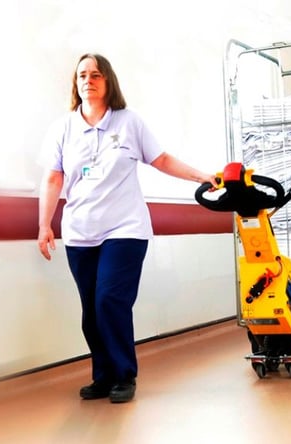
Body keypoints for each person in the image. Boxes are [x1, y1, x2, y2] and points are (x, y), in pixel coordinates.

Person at [36, 53, 215, 404]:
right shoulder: (63, 129)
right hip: (80, 232)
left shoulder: (128, 122)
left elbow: (161, 160)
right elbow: (53, 178)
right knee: (91, 308)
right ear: (76, 84)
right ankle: (102, 376)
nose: (88, 80)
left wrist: (202, 176)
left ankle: (123, 374)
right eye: (82, 75)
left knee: (110, 300)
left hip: (125, 229)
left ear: (108, 82)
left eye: (96, 75)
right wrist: (44, 225)